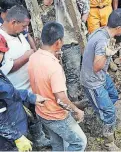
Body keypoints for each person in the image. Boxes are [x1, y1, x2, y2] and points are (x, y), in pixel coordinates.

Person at [28, 21, 87, 151]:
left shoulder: (34, 57)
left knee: (57, 144)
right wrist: (76, 110)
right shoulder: (53, 67)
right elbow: (60, 99)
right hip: (56, 116)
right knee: (79, 142)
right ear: (58, 42)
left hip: (42, 112)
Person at [0, 5, 50, 148]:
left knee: (33, 117)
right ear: (13, 22)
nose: (25, 29)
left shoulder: (19, 33)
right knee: (19, 121)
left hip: (23, 90)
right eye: (23, 26)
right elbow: (7, 68)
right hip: (13, 92)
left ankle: (38, 140)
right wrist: (27, 56)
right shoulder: (2, 39)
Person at [80, 8, 121, 150]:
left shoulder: (101, 31)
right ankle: (109, 142)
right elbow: (96, 66)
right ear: (119, 28)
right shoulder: (103, 41)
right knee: (109, 112)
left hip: (101, 77)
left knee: (113, 95)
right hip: (93, 81)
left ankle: (91, 104)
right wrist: (107, 54)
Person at [44, 0, 90, 101]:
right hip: (68, 41)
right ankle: (73, 101)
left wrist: (81, 22)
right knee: (72, 73)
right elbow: (46, 2)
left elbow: (86, 10)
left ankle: (82, 94)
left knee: (83, 68)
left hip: (81, 37)